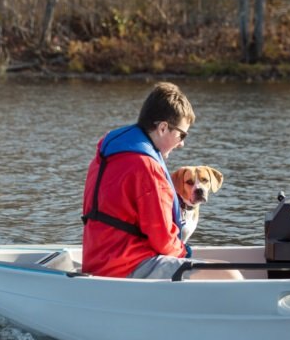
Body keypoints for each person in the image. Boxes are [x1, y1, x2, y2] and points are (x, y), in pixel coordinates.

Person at [81, 82, 242, 280]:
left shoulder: (108, 151)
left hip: (96, 259)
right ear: (163, 128)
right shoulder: (147, 168)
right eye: (182, 134)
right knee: (228, 274)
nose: (182, 143)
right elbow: (163, 239)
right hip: (126, 265)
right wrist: (186, 254)